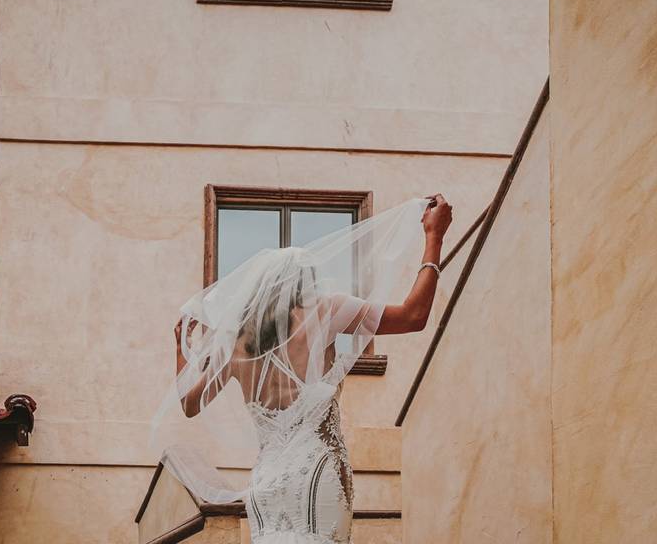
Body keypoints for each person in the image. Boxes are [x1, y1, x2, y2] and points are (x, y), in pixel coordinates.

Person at [162, 195, 452, 544]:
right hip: (316, 472)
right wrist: (434, 238)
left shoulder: (236, 343)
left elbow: (189, 404)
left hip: (264, 485)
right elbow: (413, 316)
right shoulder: (325, 310)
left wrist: (183, 349)